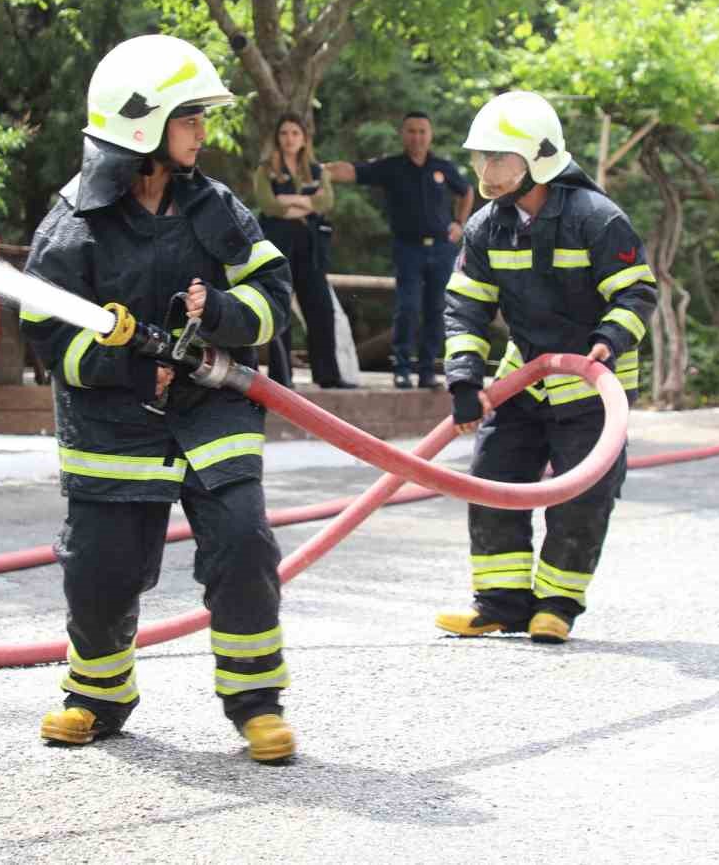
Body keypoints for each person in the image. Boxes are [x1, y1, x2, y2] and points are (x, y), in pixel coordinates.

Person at [21, 34, 297, 764]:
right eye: (190, 119)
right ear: (143, 127)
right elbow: (48, 338)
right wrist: (130, 367)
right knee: (101, 570)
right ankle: (97, 696)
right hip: (113, 423)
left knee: (243, 544)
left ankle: (257, 703)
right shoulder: (72, 225)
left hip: (214, 408)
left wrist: (222, 317)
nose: (202, 134)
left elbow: (275, 296)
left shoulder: (217, 208)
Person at [433, 91, 655, 644]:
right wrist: (463, 377)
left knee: (583, 496)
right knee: (492, 479)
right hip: (525, 378)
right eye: (481, 157)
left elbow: (637, 294)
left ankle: (557, 602)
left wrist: (608, 339)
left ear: (539, 157)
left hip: (591, 387)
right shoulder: (486, 226)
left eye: (499, 158)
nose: (485, 170)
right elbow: (465, 305)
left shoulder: (597, 220)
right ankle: (503, 604)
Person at [326, 112, 472, 389]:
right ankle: (402, 368)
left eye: (422, 131)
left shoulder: (443, 167)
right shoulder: (391, 167)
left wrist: (459, 224)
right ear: (402, 134)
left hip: (442, 249)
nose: (417, 137)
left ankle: (427, 371)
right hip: (408, 249)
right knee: (407, 307)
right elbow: (352, 171)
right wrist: (314, 168)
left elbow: (467, 192)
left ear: (430, 135)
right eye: (411, 131)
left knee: (437, 309)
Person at [251, 112, 355, 389]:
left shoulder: (316, 170)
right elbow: (268, 204)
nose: (289, 138)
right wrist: (305, 203)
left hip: (311, 245)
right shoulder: (266, 169)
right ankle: (281, 379)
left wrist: (290, 200)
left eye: (295, 133)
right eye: (284, 133)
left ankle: (328, 375)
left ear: (304, 138)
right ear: (277, 138)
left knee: (320, 308)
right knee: (280, 307)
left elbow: (326, 202)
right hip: (278, 244)